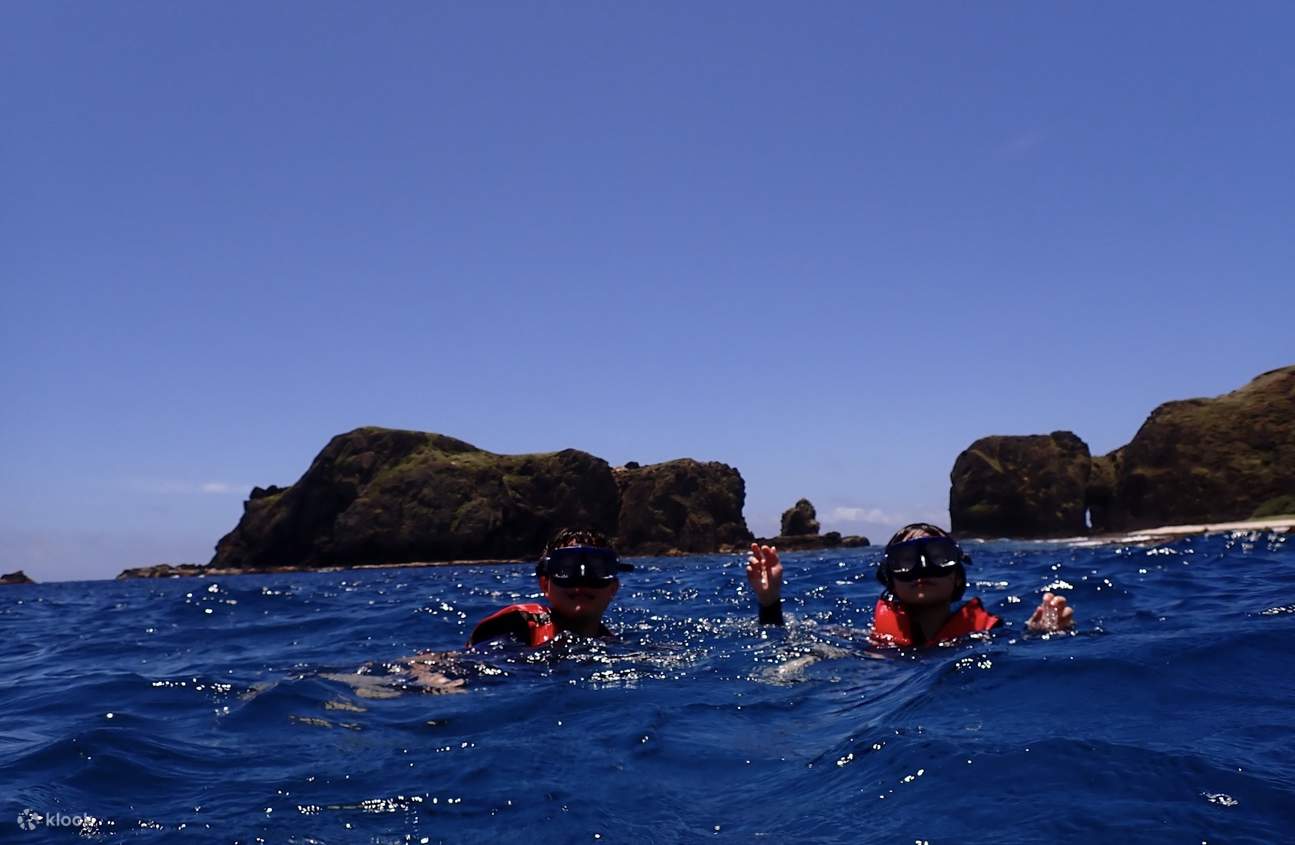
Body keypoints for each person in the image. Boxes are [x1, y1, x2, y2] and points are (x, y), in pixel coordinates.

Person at [746, 522, 1074, 647]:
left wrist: (1040, 636)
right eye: (904, 560)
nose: (921, 569)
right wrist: (769, 604)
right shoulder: (863, 643)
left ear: (958, 575)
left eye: (937, 556)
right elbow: (782, 644)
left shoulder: (992, 637)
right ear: (889, 579)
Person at [465, 527, 633, 647]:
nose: (581, 580)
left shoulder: (614, 646)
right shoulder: (516, 625)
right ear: (545, 585)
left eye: (597, 570)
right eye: (566, 569)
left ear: (613, 589)